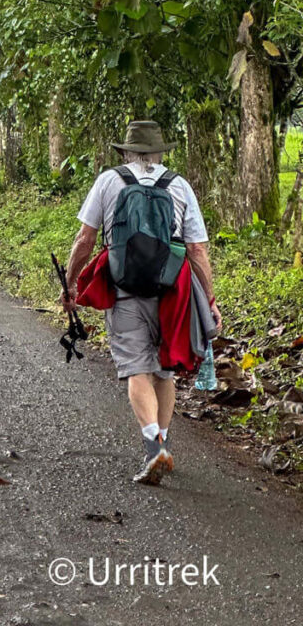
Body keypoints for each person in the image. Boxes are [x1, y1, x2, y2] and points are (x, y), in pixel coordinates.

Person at [61, 120, 222, 486]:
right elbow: (196, 249)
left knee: (136, 367)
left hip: (126, 287)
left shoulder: (109, 181)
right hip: (173, 288)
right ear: (160, 153)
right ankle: (160, 443)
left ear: (127, 152)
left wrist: (71, 283)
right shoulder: (178, 185)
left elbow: (85, 239)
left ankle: (154, 448)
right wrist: (209, 300)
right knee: (163, 370)